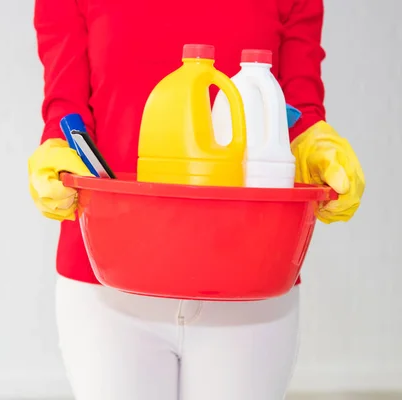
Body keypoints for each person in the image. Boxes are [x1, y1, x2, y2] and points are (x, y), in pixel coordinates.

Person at [28, 0, 365, 399]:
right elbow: (66, 106)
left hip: (249, 284)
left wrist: (314, 145)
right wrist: (58, 149)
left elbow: (296, 110)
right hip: (107, 285)